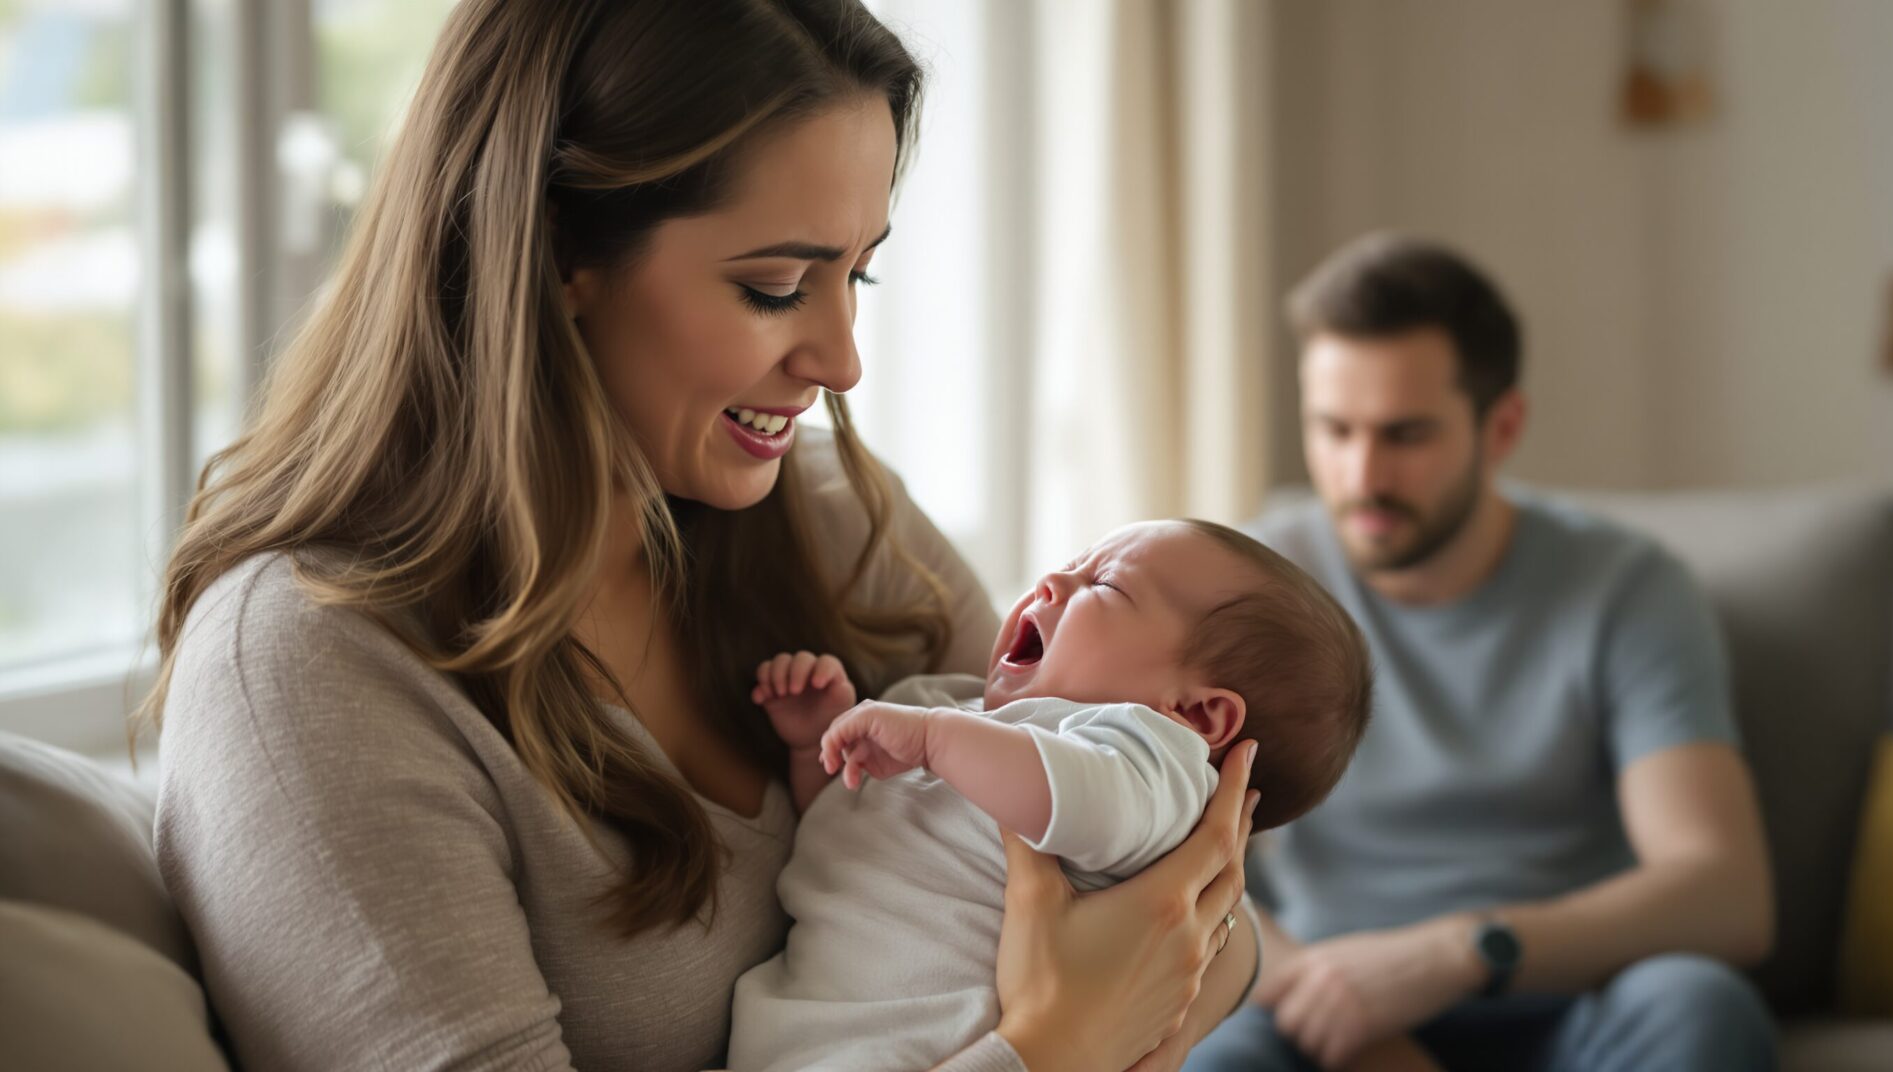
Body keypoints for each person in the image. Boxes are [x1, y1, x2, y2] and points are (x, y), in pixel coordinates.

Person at [140, 3, 1260, 1070]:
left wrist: (1125, 993)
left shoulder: (833, 517)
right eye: (776, 285)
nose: (841, 358)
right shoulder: (308, 671)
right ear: (558, 254)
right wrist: (1056, 1046)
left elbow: (1216, 913)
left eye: (856, 271)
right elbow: (1152, 950)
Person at [1184, 234, 1778, 1072]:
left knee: (1700, 1009)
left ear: (1502, 427)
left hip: (1575, 1005)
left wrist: (1466, 950)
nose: (1362, 475)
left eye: (1406, 434)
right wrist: (1339, 1008)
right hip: (1326, 1008)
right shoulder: (1252, 584)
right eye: (1334, 429)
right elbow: (1170, 860)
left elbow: (1726, 893)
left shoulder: (1627, 587)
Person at [727, 519, 1372, 1071]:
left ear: (1199, 715)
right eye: (1070, 564)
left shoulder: (1157, 763)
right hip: (800, 1035)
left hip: (920, 1045)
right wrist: (822, 747)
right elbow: (849, 844)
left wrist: (933, 741)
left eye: (1105, 584)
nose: (1051, 583)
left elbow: (1087, 802)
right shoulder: (951, 709)